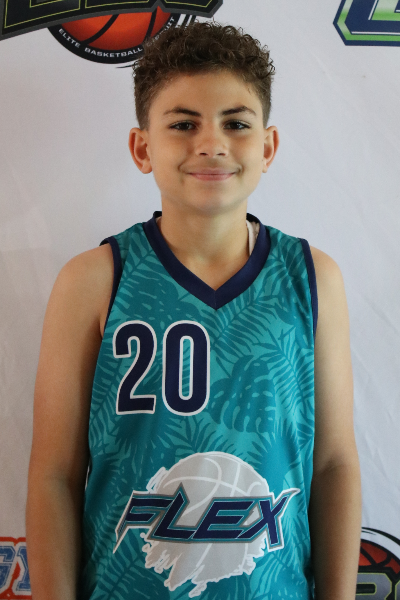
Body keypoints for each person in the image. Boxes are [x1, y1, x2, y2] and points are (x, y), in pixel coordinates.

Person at [26, 21, 361, 600]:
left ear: (267, 147)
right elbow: (55, 474)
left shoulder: (313, 279)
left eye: (236, 123)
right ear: (143, 148)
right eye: (183, 124)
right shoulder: (94, 280)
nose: (212, 143)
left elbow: (333, 465)